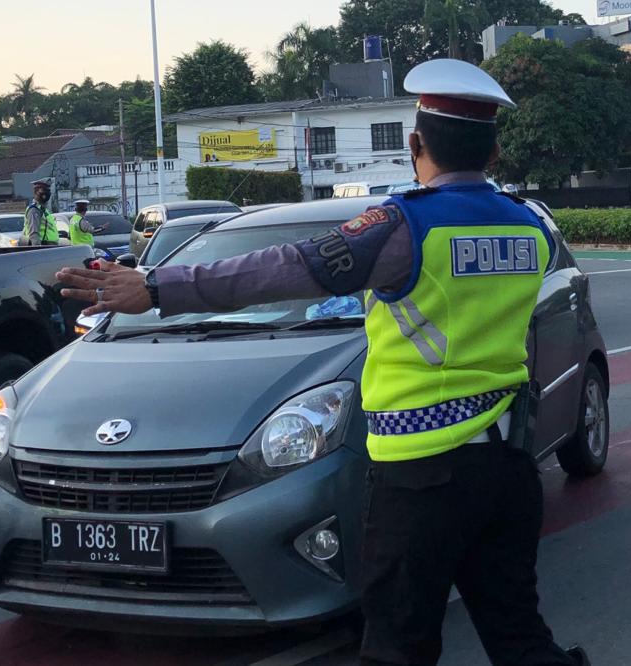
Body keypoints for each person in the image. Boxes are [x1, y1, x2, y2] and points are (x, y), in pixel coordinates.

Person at [57, 59, 590, 666]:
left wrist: (156, 289)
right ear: (493, 152)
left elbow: (286, 268)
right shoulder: (530, 228)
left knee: (396, 647)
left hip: (422, 480)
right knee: (519, 635)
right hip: (509, 467)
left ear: (416, 144)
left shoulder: (402, 224)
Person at [22, 179, 59, 246]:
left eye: (48, 190)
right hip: (43, 246)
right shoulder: (34, 210)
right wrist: (38, 250)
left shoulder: (43, 210)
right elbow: (34, 234)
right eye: (44, 190)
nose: (47, 193)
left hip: (50, 247)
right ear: (36, 192)